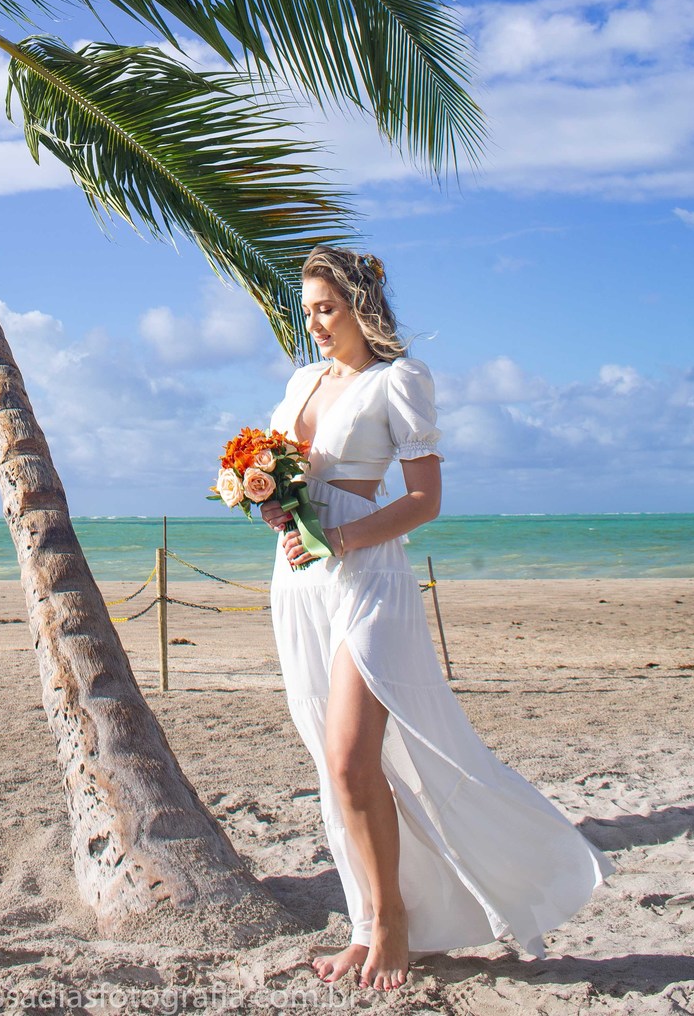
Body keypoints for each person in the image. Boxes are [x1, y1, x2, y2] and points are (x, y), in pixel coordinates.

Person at [261, 246, 614, 993]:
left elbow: (425, 500)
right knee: (336, 768)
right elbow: (288, 481)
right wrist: (272, 510)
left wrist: (344, 538)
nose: (315, 322)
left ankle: (393, 927)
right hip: (301, 581)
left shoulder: (401, 380)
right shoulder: (299, 383)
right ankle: (368, 925)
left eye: (328, 307)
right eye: (309, 308)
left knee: (357, 757)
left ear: (361, 305)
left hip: (369, 580)